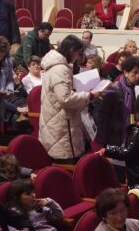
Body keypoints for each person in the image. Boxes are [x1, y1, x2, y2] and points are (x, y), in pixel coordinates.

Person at [39, 35, 101, 163]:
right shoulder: (60, 69)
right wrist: (89, 95)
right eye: (79, 53)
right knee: (64, 164)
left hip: (56, 119)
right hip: (61, 125)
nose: (79, 57)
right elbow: (65, 99)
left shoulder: (57, 66)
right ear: (72, 50)